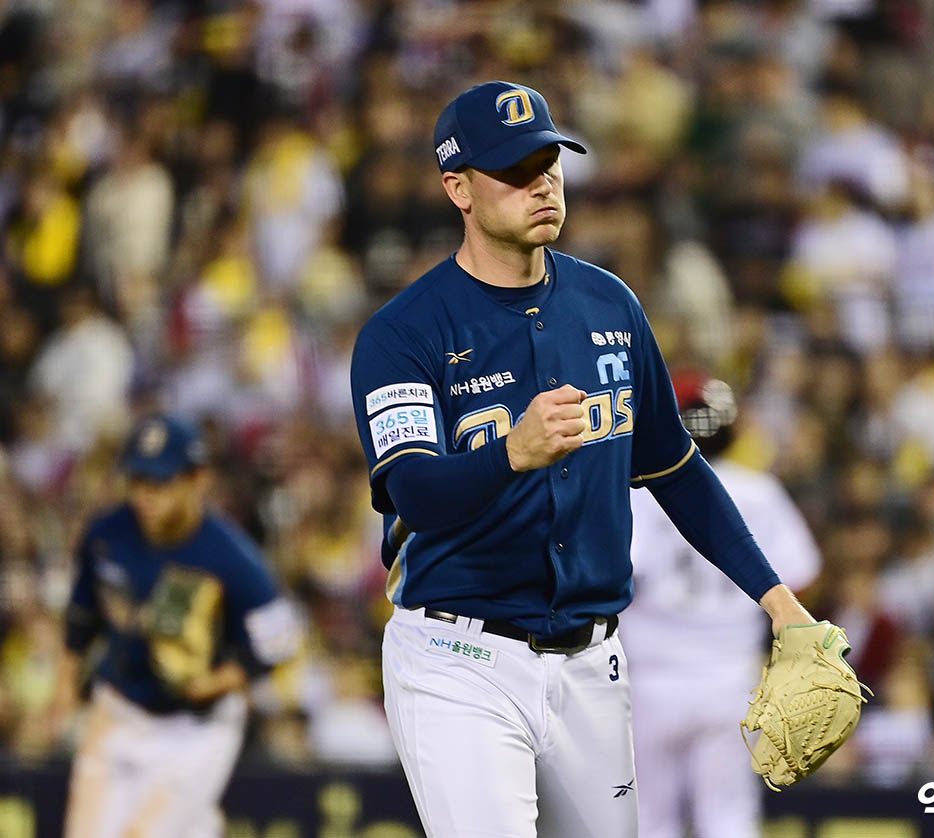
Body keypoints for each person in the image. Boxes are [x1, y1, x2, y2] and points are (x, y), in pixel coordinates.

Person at [349, 81, 834, 838]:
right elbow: (414, 493)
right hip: (457, 655)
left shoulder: (611, 306)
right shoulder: (403, 332)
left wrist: (778, 602)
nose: (541, 182)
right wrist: (512, 452)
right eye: (515, 169)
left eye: (550, 161)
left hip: (592, 662)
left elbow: (676, 470)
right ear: (458, 189)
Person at [53, 415, 299, 838]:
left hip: (196, 729)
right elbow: (81, 617)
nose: (145, 495)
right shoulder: (108, 532)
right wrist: (64, 688)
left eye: (160, 483)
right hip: (118, 709)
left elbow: (279, 643)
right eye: (137, 480)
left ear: (197, 479)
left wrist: (218, 681)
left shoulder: (232, 559)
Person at [622, 370, 821, 838]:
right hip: (731, 677)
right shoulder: (760, 491)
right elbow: (803, 576)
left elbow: (620, 577)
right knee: (729, 819)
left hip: (651, 677)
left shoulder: (639, 493)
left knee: (650, 820)